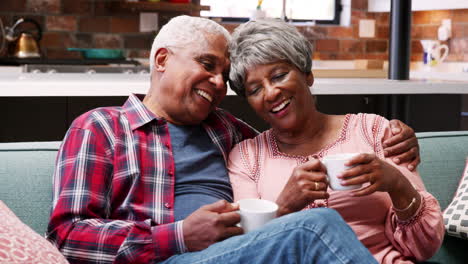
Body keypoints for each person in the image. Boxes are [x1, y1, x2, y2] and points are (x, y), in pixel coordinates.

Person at [46, 15, 418, 264]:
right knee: (315, 226)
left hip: (239, 253)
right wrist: (177, 236)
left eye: (224, 76)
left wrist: (395, 139)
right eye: (207, 65)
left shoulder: (226, 130)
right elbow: (66, 236)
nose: (219, 84)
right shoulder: (101, 128)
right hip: (167, 258)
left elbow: (292, 143)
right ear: (162, 59)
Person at [227, 19, 445, 264]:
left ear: (307, 74)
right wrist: (285, 206)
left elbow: (426, 246)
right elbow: (248, 253)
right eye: (255, 90)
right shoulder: (246, 158)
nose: (270, 93)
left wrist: (396, 183)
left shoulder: (373, 131)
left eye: (279, 75)